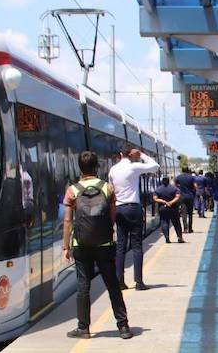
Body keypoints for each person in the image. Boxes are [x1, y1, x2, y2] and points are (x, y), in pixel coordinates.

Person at [62, 151, 133, 340]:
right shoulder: (107, 188)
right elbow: (112, 218)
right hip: (104, 244)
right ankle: (123, 326)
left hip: (81, 244)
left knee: (83, 285)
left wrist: (66, 247)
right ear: (96, 167)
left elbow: (68, 221)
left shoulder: (72, 190)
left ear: (79, 168)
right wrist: (108, 235)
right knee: (112, 284)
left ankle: (83, 328)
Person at [108, 145, 159, 291]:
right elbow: (155, 166)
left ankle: (119, 281)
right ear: (132, 155)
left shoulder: (113, 170)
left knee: (121, 245)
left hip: (118, 208)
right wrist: (142, 154)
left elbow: (111, 190)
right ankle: (139, 282)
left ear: (120, 154)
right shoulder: (134, 167)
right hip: (133, 208)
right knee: (136, 245)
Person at [153, 176, 184, 243]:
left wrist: (164, 202)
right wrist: (171, 202)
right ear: (169, 181)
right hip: (173, 208)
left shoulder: (158, 189)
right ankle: (180, 237)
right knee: (176, 223)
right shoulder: (174, 188)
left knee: (164, 222)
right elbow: (177, 197)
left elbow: (155, 198)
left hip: (162, 208)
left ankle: (167, 238)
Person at [174, 167, 197, 233]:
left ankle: (185, 228)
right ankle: (190, 228)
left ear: (182, 170)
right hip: (190, 196)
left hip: (182, 197)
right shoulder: (192, 177)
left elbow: (175, 186)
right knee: (190, 213)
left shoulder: (178, 177)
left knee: (183, 213)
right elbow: (195, 186)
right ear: (188, 170)